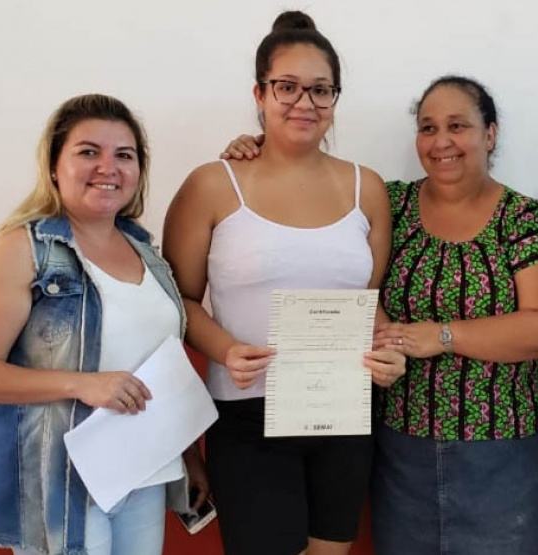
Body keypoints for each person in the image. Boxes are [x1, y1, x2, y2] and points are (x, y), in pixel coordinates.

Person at [224, 75, 538, 555]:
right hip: (401, 447)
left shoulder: (522, 217)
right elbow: (315, 214)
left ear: (490, 134)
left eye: (458, 125)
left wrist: (442, 336)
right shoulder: (389, 203)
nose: (441, 141)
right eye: (428, 128)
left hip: (503, 449)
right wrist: (265, 147)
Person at [162, 11, 405, 555]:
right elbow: (177, 300)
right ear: (260, 93)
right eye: (287, 87)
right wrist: (225, 349)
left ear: (335, 99)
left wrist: (389, 353)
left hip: (342, 409)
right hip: (248, 414)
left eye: (321, 90)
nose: (305, 102)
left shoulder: (367, 188)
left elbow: (369, 306)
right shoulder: (212, 184)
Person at [0, 94, 204, 555]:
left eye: (124, 155)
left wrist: (188, 455)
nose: (108, 166)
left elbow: (158, 364)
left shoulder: (147, 252)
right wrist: (83, 384)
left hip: (145, 471)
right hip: (62, 480)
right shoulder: (23, 249)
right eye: (89, 152)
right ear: (53, 165)